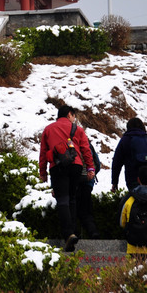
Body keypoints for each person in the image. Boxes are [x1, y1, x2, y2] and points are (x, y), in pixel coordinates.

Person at [39, 105, 96, 252]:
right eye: (74, 116)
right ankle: (74, 233)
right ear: (70, 114)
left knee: (63, 199)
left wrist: (43, 172)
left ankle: (68, 234)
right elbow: (86, 150)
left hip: (57, 166)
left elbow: (43, 152)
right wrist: (90, 168)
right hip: (76, 165)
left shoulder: (48, 129)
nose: (74, 119)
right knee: (72, 198)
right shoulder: (77, 129)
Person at [110, 117, 147, 192]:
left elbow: (117, 162)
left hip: (134, 178)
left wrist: (114, 182)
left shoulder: (125, 139)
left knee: (136, 201)